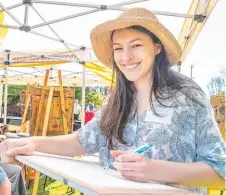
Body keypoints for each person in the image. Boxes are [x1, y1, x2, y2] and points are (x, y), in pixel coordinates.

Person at [0, 8, 225, 195]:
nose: (125, 57)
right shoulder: (116, 98)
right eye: (118, 48)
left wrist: (154, 170)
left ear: (157, 47)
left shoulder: (187, 94)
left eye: (136, 45)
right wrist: (32, 144)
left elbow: (219, 172)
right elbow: (81, 141)